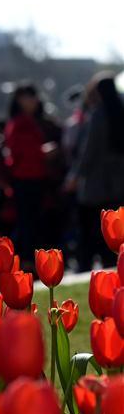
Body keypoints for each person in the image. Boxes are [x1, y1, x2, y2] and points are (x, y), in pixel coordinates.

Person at [66, 72, 124, 270]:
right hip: (118, 183)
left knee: (95, 230)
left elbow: (88, 151)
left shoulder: (98, 115)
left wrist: (75, 176)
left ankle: (91, 266)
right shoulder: (120, 111)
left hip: (96, 183)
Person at [2, 84, 50, 268]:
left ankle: (24, 260)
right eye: (31, 97)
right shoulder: (21, 123)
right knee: (27, 222)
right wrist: (43, 153)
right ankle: (24, 261)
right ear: (20, 99)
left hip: (30, 177)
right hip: (26, 178)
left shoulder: (24, 121)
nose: (35, 101)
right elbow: (20, 151)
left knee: (29, 221)